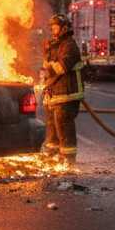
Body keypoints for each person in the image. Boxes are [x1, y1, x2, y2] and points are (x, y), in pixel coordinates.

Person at [40, 13, 83, 166]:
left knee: (64, 125)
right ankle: (53, 154)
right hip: (54, 92)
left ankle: (69, 159)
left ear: (64, 27)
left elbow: (61, 67)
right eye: (51, 27)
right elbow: (46, 67)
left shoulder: (69, 45)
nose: (53, 30)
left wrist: (48, 63)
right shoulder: (55, 45)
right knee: (52, 125)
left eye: (55, 27)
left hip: (67, 93)